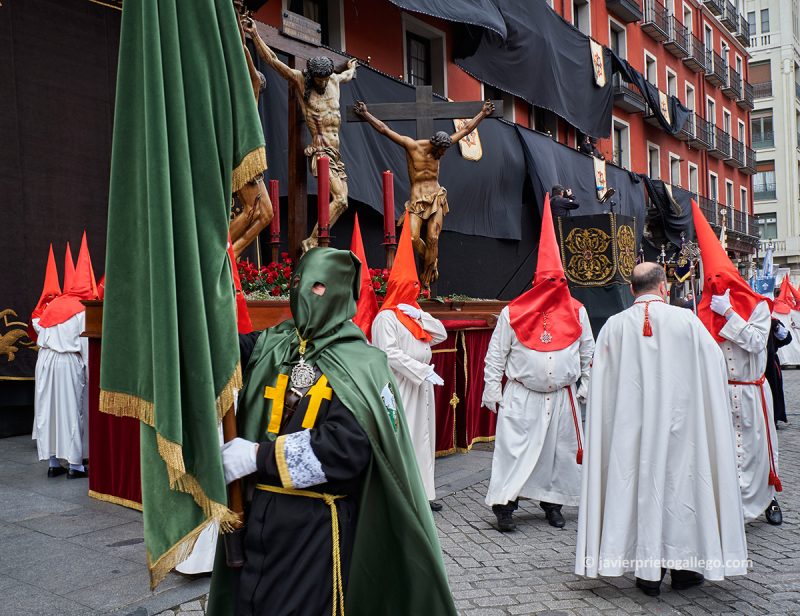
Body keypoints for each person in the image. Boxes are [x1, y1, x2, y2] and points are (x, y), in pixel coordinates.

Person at [207, 248, 456, 616]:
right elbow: (219, 355)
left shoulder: (363, 364)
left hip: (316, 533)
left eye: (318, 286)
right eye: (297, 283)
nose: (304, 293)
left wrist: (257, 456)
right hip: (259, 521)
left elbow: (346, 450)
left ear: (341, 293)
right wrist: (202, 306)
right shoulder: (273, 344)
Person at [576, 262, 748, 596]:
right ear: (664, 286)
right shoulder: (687, 321)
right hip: (682, 427)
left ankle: (647, 573)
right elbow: (714, 369)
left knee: (635, 489)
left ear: (631, 290)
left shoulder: (613, 327)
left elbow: (600, 383)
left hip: (630, 433)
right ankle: (683, 569)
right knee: (680, 491)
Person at [482, 196, 594, 531]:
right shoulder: (512, 313)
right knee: (515, 452)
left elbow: (589, 351)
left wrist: (586, 382)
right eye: (547, 283)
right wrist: (492, 388)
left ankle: (553, 504)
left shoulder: (577, 312)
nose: (552, 290)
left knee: (557, 455)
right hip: (523, 395)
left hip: (562, 397)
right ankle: (505, 506)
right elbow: (496, 354)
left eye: (557, 283)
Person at [692, 201, 783, 526]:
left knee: (758, 447)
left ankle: (768, 499)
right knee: (725, 450)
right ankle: (729, 505)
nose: (715, 284)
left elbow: (758, 343)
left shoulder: (757, 307)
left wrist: (730, 313)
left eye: (721, 278)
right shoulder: (703, 311)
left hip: (750, 390)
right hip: (719, 392)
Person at [354, 99, 494, 288]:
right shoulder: (412, 146)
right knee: (412, 238)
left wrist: (483, 113)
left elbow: (466, 130)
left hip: (436, 197)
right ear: (435, 145)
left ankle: (426, 278)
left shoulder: (443, 146)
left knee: (433, 238)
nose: (443, 155)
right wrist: (365, 114)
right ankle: (432, 260)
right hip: (417, 199)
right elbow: (384, 129)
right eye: (442, 151)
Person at [244, 21, 357, 251]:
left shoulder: (334, 81)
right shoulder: (299, 79)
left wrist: (352, 66)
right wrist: (255, 36)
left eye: (325, 78)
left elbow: (347, 74)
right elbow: (273, 61)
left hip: (336, 152)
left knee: (343, 203)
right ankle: (313, 241)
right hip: (320, 150)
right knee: (341, 199)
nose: (323, 83)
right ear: (312, 76)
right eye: (319, 80)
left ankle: (313, 240)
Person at [372, 214, 447, 511]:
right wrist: (422, 370)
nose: (414, 293)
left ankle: (424, 493)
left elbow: (440, 334)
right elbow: (388, 353)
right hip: (401, 385)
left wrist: (421, 315)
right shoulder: (385, 318)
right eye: (410, 288)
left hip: (421, 384)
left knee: (424, 439)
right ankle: (403, 494)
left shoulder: (412, 317)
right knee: (405, 438)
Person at [32, 233, 97, 479]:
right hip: (68, 360)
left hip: (45, 360)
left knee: (47, 410)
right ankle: (75, 465)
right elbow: (85, 346)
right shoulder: (82, 310)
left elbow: (38, 325)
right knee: (72, 412)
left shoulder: (53, 304)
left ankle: (52, 462)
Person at [766, 317, 792, 427]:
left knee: (773, 390)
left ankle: (774, 418)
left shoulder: (772, 320)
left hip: (770, 362)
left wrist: (776, 327)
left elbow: (786, 338)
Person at [773, 277, 800, 367]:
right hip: (788, 329)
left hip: (779, 328)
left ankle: (783, 361)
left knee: (781, 348)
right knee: (792, 345)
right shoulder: (788, 308)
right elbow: (795, 318)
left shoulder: (772, 308)